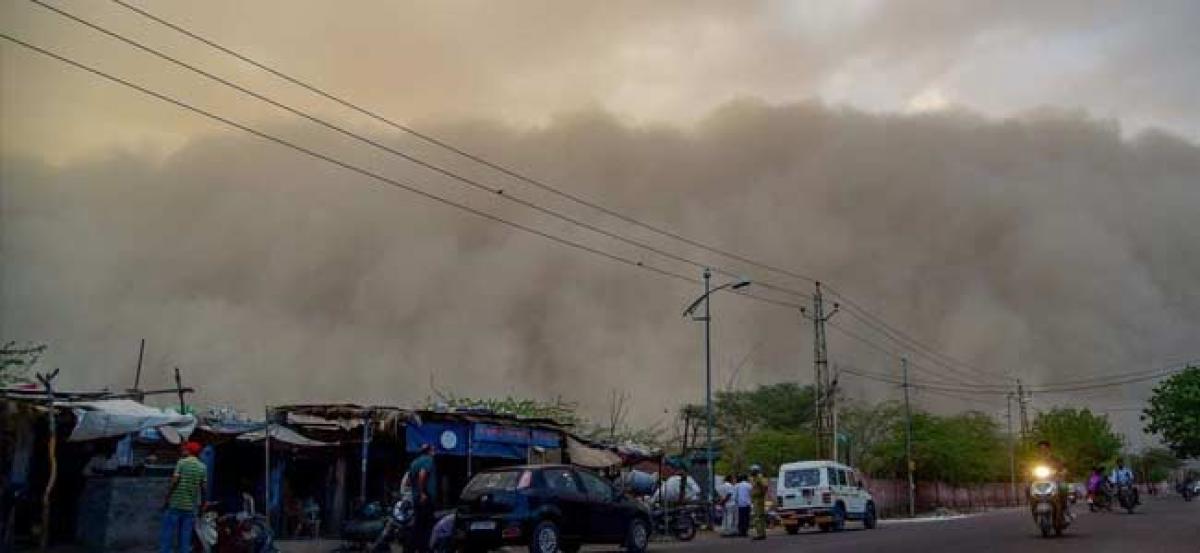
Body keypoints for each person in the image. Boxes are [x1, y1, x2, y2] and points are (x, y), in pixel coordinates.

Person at [160, 441, 207, 553]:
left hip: (175, 504)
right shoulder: (202, 467)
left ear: (189, 451)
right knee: (185, 538)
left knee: (167, 535)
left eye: (185, 449)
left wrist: (167, 498)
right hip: (190, 507)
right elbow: (204, 488)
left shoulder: (181, 463)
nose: (183, 450)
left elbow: (174, 482)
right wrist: (203, 505)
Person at [406, 443, 437, 553]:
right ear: (428, 451)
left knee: (419, 524)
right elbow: (422, 474)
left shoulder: (414, 462)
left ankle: (415, 548)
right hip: (425, 498)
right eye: (433, 450)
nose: (434, 452)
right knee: (426, 525)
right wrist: (423, 492)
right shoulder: (428, 460)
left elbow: (408, 481)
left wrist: (416, 491)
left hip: (416, 499)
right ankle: (422, 548)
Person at [749, 465, 769, 541]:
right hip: (756, 498)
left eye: (752, 471)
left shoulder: (759, 477)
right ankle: (761, 533)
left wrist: (762, 493)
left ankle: (760, 534)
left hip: (758, 498)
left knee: (758, 517)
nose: (751, 472)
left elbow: (765, 486)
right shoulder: (755, 478)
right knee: (760, 516)